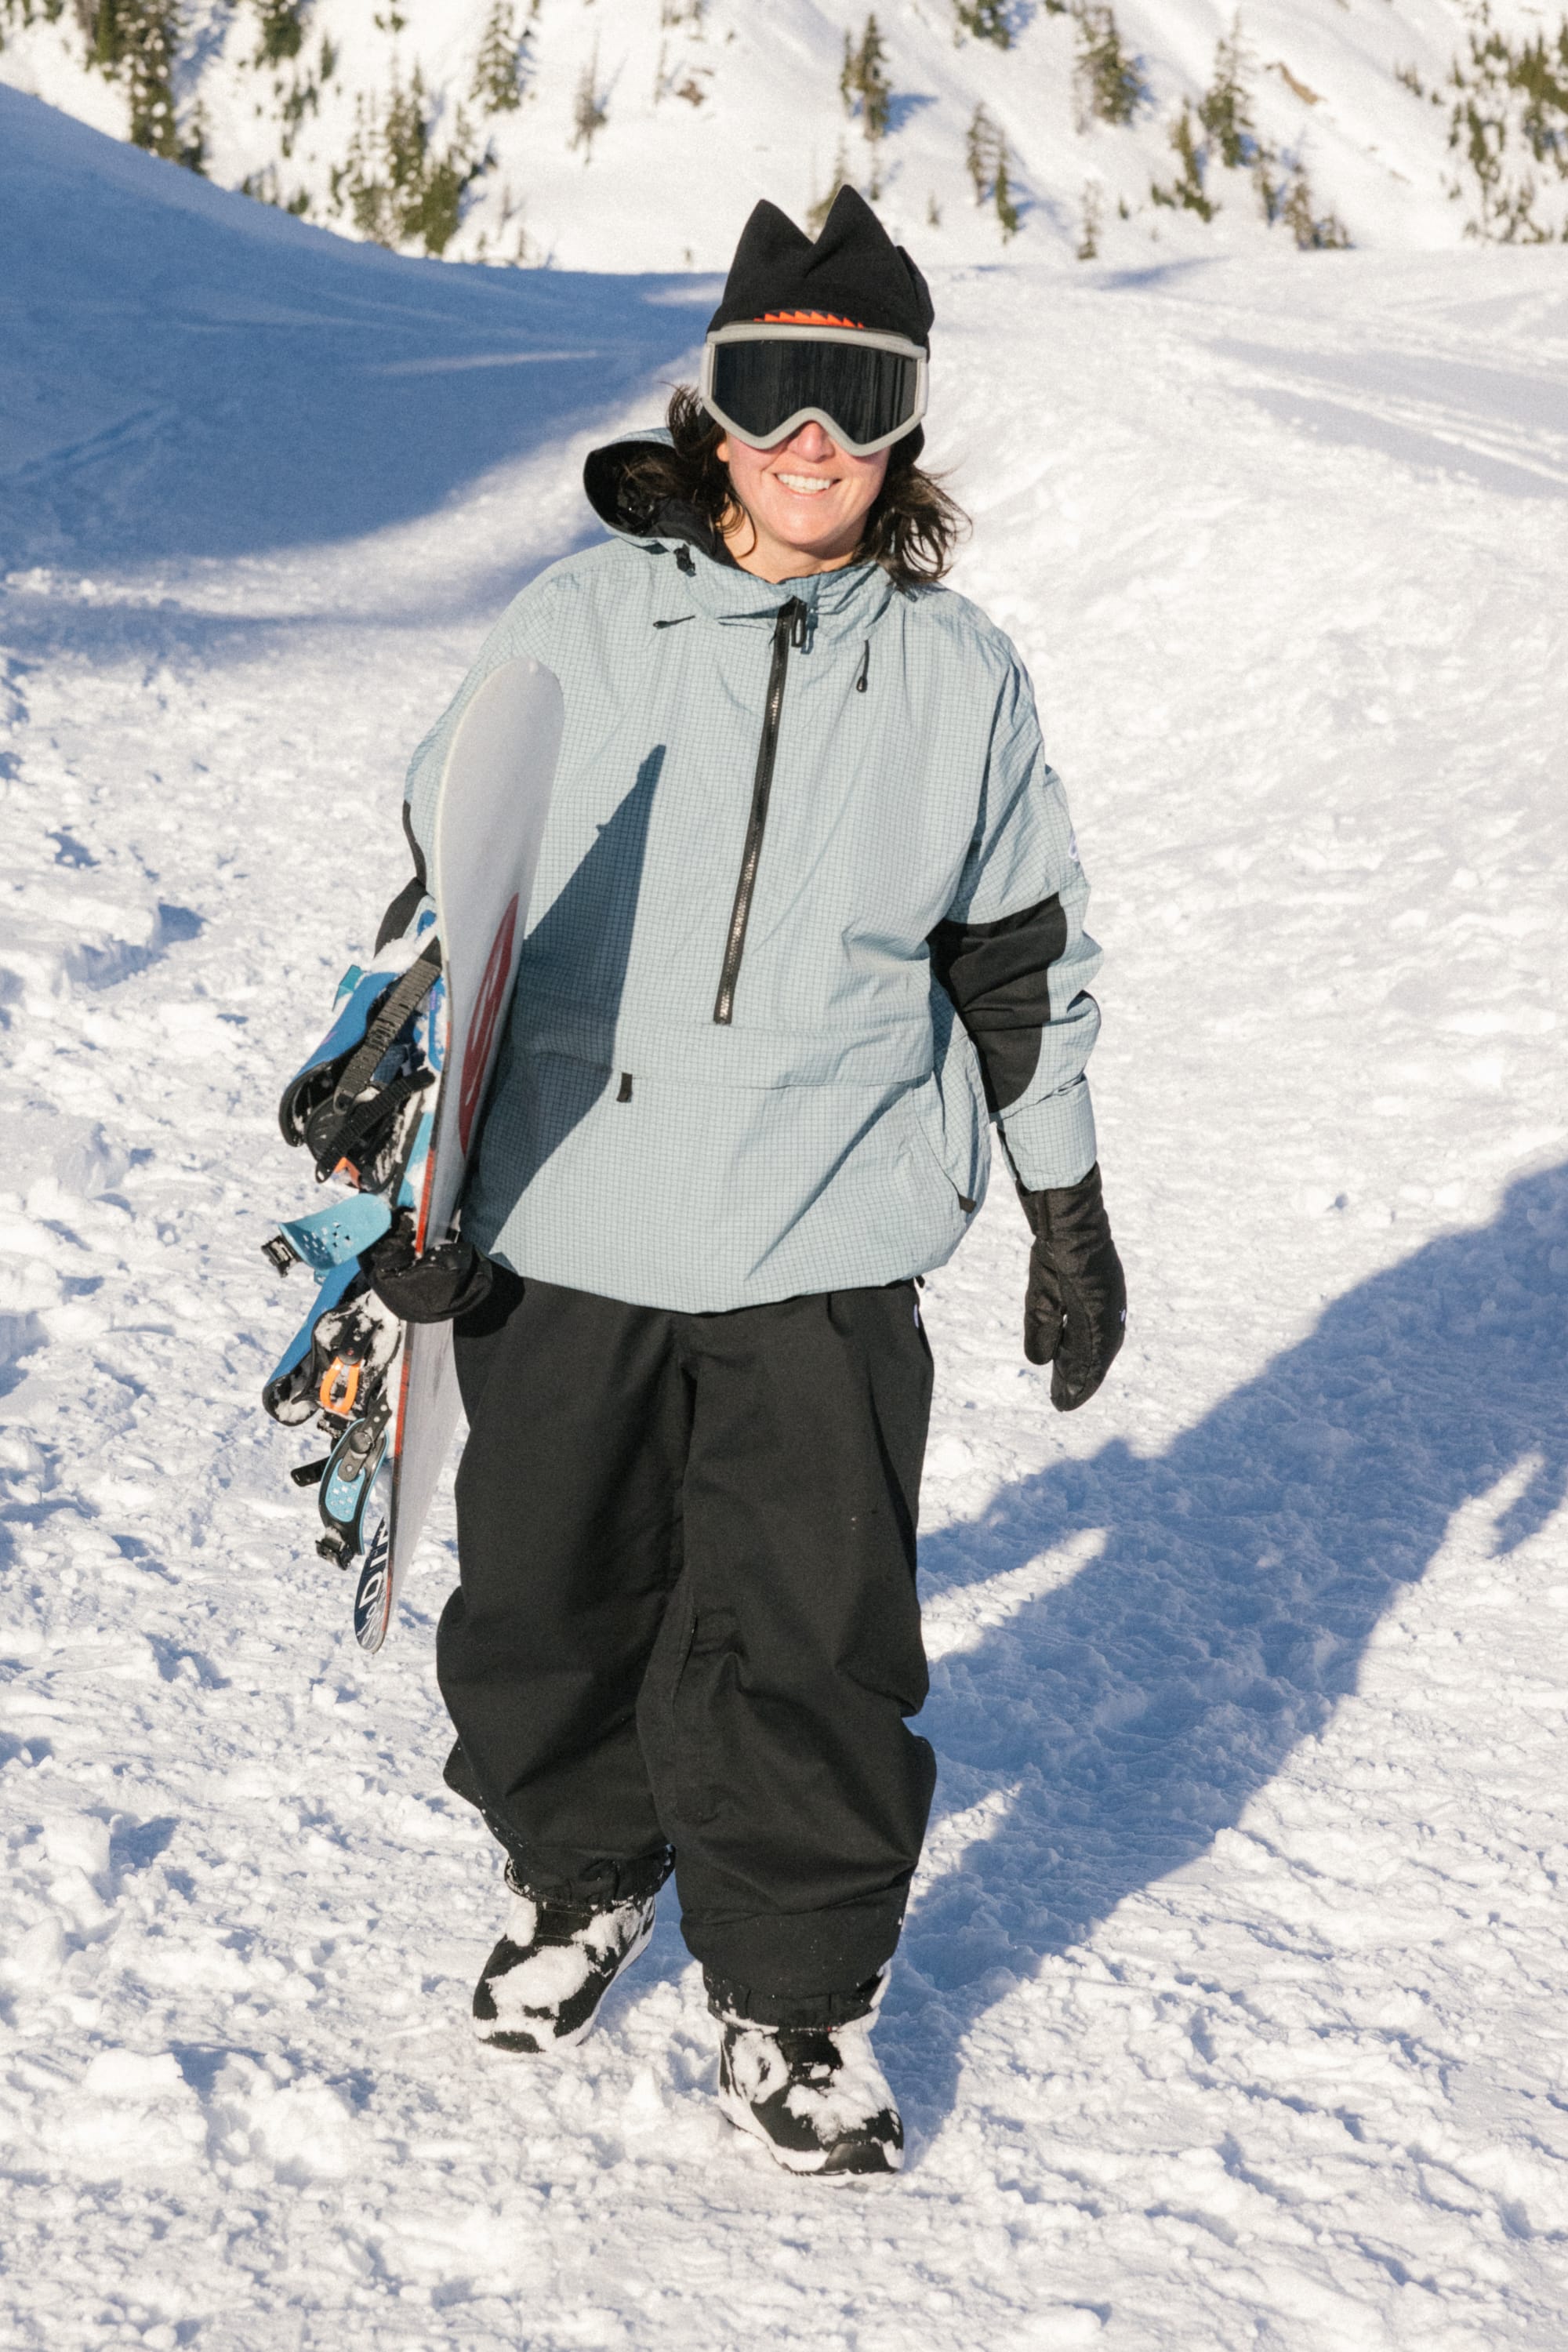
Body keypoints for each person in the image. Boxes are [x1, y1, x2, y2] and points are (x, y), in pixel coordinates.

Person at [387, 189, 1126, 2179]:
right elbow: (454, 885)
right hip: (572, 1207)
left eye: (855, 397)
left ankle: (791, 2002)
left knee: (810, 1630)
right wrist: (419, 1152)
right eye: (770, 389)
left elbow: (1015, 954)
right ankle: (580, 1876)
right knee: (550, 1592)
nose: (812, 440)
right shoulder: (577, 619)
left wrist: (1063, 1202)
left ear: (902, 434)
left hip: (826, 1228)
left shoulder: (961, 675)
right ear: (710, 412)